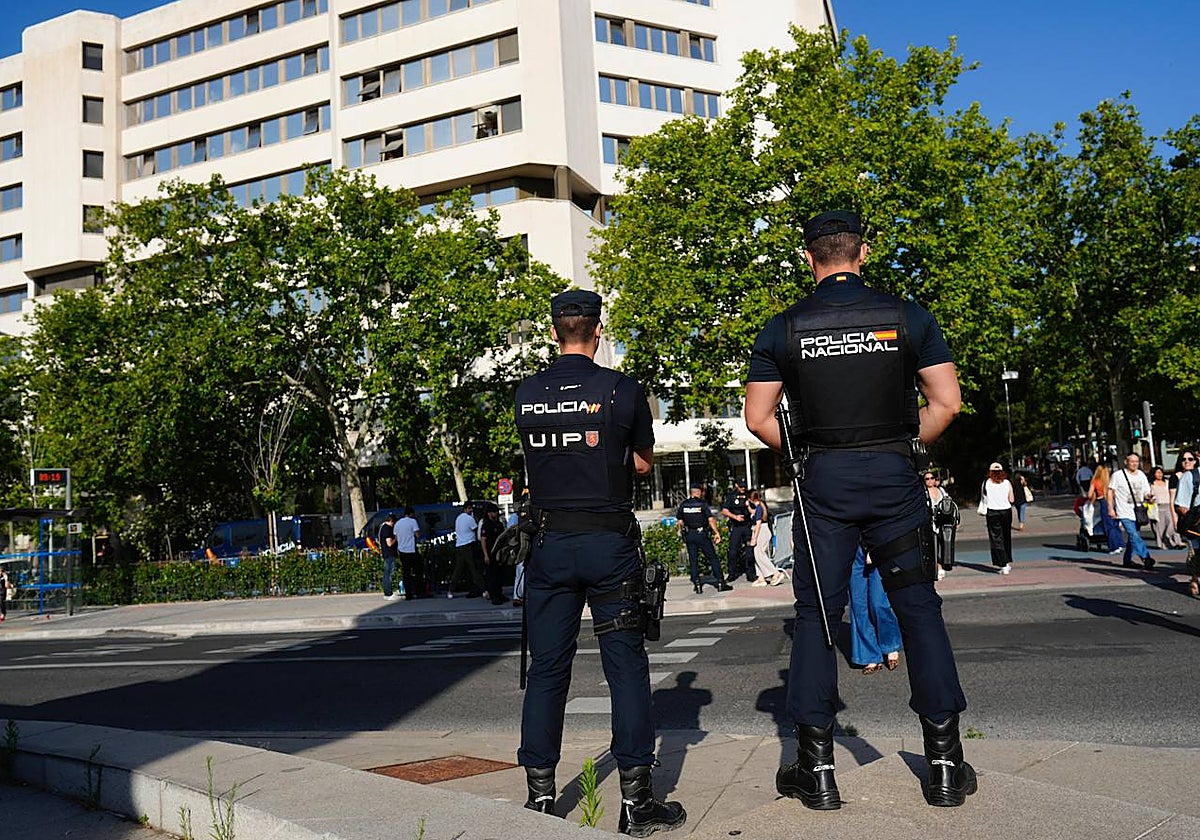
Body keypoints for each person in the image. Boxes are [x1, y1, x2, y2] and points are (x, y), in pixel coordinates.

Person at [744, 210, 974, 810]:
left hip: (824, 481)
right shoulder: (906, 316)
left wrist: (811, 456)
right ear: (863, 253)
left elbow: (758, 419)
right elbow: (946, 403)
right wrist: (903, 446)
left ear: (809, 258)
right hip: (895, 476)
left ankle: (817, 770)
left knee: (819, 615)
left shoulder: (783, 329)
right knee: (919, 608)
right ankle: (945, 763)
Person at [514, 289, 686, 836]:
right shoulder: (623, 391)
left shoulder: (527, 393)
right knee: (626, 669)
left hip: (549, 546)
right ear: (597, 329)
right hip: (608, 545)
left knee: (547, 669)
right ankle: (637, 802)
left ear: (553, 331)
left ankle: (541, 796)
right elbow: (640, 464)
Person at [848, 547, 901, 674]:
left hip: (876, 541)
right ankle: (870, 654)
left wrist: (874, 545)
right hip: (851, 544)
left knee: (879, 603)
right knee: (858, 605)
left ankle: (890, 645)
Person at [676, 483, 731, 594]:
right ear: (698, 492)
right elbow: (711, 520)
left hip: (689, 535)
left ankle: (697, 584)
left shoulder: (683, 505)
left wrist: (681, 534)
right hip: (702, 534)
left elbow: (680, 522)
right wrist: (716, 533)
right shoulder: (702, 504)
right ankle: (720, 582)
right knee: (712, 557)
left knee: (693, 560)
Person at [1108, 453, 1155, 570]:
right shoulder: (1118, 475)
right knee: (1133, 534)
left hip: (1138, 511)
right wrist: (1110, 508)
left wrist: (1149, 497)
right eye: (1131, 461)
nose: (1134, 464)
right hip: (1123, 511)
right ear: (1126, 462)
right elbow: (1110, 491)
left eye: (1136, 461)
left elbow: (1146, 491)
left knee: (1134, 537)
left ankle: (1127, 560)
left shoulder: (1141, 475)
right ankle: (1146, 557)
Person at [1172, 450, 1199, 598]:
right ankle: (1195, 578)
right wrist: (1195, 518)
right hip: (1197, 527)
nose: (1187, 461)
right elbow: (1180, 505)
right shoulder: (1190, 477)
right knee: (1196, 555)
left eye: (1190, 458)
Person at [748, 490, 787, 586]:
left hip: (761, 531)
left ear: (750, 499)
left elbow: (758, 524)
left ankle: (776, 573)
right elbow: (754, 514)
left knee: (759, 554)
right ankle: (761, 577)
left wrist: (754, 539)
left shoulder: (759, 508)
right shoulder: (760, 507)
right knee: (757, 555)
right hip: (762, 530)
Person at [982, 463, 1015, 574]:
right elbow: (1012, 499)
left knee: (996, 538)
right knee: (1006, 536)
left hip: (992, 511)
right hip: (1006, 511)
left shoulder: (986, 483)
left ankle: (1002, 564)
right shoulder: (1007, 483)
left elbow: (983, 497)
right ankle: (1007, 560)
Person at [925, 472, 959, 581]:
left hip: (943, 523)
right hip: (930, 523)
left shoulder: (941, 491)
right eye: (927, 479)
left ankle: (943, 564)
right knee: (932, 547)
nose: (930, 480)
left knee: (945, 544)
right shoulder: (923, 493)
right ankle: (937, 567)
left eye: (932, 478)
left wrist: (955, 519)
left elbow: (950, 505)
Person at [720, 478, 755, 582]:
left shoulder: (749, 494)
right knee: (733, 552)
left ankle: (751, 574)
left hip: (747, 526)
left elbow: (757, 507)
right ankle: (732, 573)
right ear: (736, 485)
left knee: (749, 551)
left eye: (744, 486)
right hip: (736, 527)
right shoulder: (731, 496)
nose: (743, 488)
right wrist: (735, 517)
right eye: (740, 486)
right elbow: (724, 511)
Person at [450, 502, 485, 598]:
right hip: (468, 545)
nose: (471, 510)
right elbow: (476, 529)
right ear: (466, 509)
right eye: (470, 508)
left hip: (459, 545)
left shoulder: (459, 518)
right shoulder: (469, 519)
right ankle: (483, 589)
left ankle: (451, 590)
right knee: (474, 568)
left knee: (458, 569)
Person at [1088, 465, 1124, 554]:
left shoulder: (1095, 481)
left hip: (1103, 502)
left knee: (1108, 525)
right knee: (1115, 524)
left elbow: (1089, 494)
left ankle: (1113, 546)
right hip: (1114, 501)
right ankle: (1119, 543)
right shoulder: (1110, 481)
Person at [479, 505, 509, 605]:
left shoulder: (499, 524)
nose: (496, 514)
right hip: (490, 553)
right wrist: (485, 555)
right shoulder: (486, 525)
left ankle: (499, 593)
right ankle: (494, 595)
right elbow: (483, 540)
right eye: (494, 512)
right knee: (492, 575)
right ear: (489, 513)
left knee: (500, 574)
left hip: (499, 552)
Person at [1149, 466, 1184, 551]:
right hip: (1158, 507)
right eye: (1157, 472)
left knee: (1172, 525)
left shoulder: (1167, 482)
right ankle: (1162, 544)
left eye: (1161, 472)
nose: (1160, 474)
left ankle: (1176, 542)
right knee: (1160, 527)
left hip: (1168, 505)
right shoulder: (1151, 484)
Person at [393, 506, 423, 600]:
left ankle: (408, 594)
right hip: (411, 550)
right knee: (418, 571)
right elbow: (417, 535)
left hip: (402, 550)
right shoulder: (412, 521)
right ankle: (418, 591)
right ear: (411, 514)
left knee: (406, 573)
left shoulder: (397, 523)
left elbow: (396, 537)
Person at [377, 512, 401, 600]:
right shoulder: (387, 529)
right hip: (389, 553)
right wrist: (396, 538)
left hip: (386, 553)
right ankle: (388, 593)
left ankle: (387, 592)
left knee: (387, 573)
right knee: (388, 573)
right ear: (391, 521)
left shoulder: (382, 527)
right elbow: (389, 543)